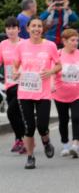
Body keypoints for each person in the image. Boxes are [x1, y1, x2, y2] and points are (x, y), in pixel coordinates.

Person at [12, 17, 60, 169]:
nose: (36, 29)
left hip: (43, 92)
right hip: (25, 92)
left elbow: (59, 65)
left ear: (42, 29)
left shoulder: (50, 46)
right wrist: (15, 73)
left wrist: (51, 71)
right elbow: (15, 64)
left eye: (39, 26)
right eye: (33, 26)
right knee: (29, 127)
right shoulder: (21, 46)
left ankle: (46, 142)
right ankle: (30, 156)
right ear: (27, 28)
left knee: (42, 125)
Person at [52, 28, 79, 157]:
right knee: (63, 120)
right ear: (64, 41)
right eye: (72, 40)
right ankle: (65, 145)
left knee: (76, 118)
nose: (75, 43)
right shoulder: (57, 54)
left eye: (77, 40)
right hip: (60, 94)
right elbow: (51, 72)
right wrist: (51, 85)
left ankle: (75, 145)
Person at [1, 17, 25, 153]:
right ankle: (20, 139)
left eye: (13, 28)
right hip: (9, 84)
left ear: (18, 29)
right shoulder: (3, 45)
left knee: (11, 112)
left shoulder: (24, 44)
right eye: (8, 28)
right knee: (15, 114)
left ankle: (24, 139)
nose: (11, 30)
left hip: (23, 84)